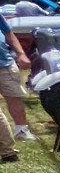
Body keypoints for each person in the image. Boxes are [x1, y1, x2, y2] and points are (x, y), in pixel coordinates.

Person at [0, 12, 32, 144]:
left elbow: (8, 32)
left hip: (5, 62)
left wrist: (21, 54)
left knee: (14, 96)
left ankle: (22, 130)